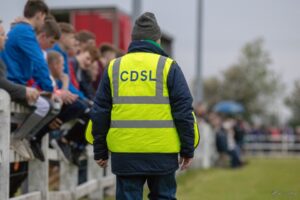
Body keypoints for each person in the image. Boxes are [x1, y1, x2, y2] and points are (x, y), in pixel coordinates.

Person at [91, 12, 199, 199]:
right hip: (162, 152)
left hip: (125, 153)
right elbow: (183, 112)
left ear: (133, 39)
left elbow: (100, 111)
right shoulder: (168, 66)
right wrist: (187, 148)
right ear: (157, 40)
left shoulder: (114, 67)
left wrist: (100, 149)